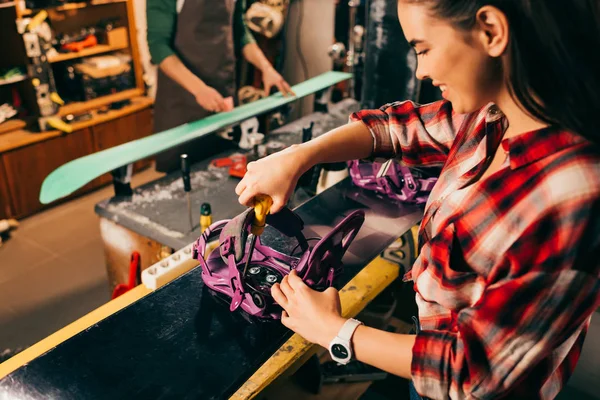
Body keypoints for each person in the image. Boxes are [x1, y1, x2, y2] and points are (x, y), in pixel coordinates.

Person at [235, 1, 600, 399]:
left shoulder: (571, 196)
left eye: (423, 49)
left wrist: (334, 331)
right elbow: (395, 129)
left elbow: (473, 374)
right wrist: (297, 156)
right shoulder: (492, 117)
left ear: (491, 31)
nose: (421, 71)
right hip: (425, 355)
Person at [147, 0, 293, 173]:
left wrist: (267, 69)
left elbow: (239, 31)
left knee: (223, 168)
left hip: (222, 94)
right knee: (182, 178)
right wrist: (199, 89)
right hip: (182, 101)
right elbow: (158, 46)